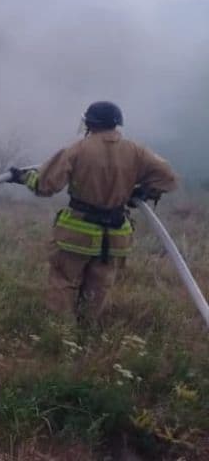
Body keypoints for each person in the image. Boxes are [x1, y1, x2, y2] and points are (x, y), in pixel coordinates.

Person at [9, 101, 178, 326]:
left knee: (64, 281)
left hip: (76, 235)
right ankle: (86, 332)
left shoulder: (78, 149)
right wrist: (144, 192)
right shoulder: (136, 151)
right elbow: (167, 178)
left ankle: (60, 333)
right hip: (114, 237)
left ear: (90, 123)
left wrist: (23, 177)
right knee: (98, 288)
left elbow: (45, 185)